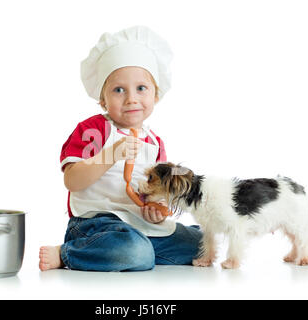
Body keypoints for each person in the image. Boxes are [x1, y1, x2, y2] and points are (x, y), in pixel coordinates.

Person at [39, 26, 201, 272]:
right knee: (134, 250)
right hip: (96, 223)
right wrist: (111, 154)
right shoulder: (94, 129)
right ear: (102, 99)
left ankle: (132, 251)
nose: (131, 99)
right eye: (118, 90)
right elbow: (72, 180)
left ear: (156, 95)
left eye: (141, 88)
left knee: (200, 243)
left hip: (138, 224)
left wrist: (157, 211)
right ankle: (71, 252)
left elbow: (159, 196)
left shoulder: (155, 143)